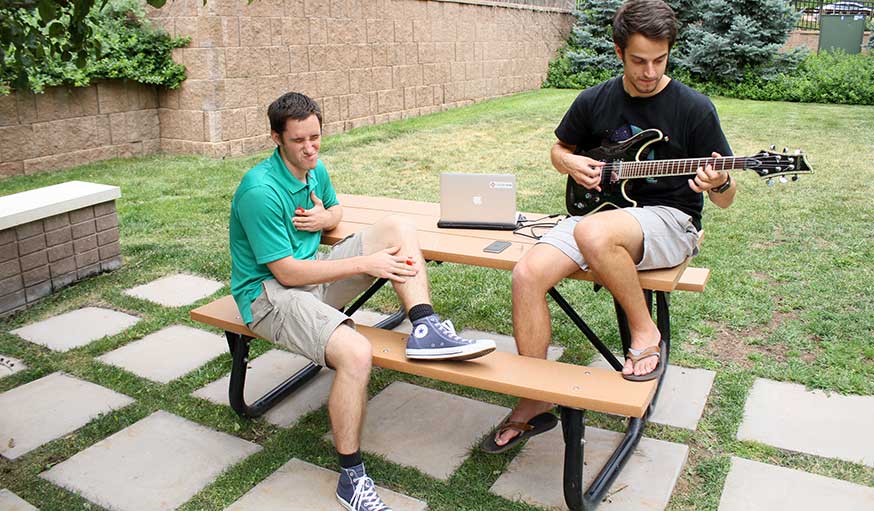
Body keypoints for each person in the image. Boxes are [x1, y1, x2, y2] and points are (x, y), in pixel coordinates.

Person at [482, 0, 735, 453]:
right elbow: (559, 149)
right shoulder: (594, 99)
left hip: (670, 221)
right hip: (594, 214)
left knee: (593, 234)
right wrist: (572, 163)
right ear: (619, 52)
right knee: (527, 274)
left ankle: (645, 333)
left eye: (660, 60)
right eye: (639, 60)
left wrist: (720, 182)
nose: (650, 71)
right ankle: (535, 399)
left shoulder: (694, 109)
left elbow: (726, 197)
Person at [229, 92, 496, 510]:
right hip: (269, 294)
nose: (310, 147)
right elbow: (286, 273)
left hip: (311, 278)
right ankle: (351, 478)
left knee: (397, 227)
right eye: (299, 140)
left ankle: (424, 326)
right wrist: (364, 261)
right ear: (276, 138)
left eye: (316, 137)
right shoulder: (259, 191)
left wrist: (326, 219)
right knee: (356, 352)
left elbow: (335, 209)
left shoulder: (312, 169)